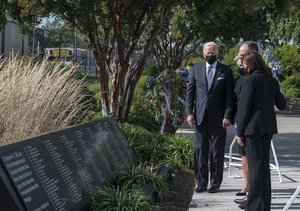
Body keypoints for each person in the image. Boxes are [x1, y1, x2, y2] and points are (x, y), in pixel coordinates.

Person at [236, 52, 286, 211]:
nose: (242, 67)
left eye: (243, 64)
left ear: (249, 64)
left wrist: (239, 132)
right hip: (268, 128)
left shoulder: (250, 80)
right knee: (263, 167)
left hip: (252, 129)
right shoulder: (272, 80)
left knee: (256, 167)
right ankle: (264, 204)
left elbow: (244, 109)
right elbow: (282, 104)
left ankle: (255, 206)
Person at [185, 41, 234, 193]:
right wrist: (189, 113)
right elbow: (190, 94)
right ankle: (201, 183)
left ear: (217, 54)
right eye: (207, 52)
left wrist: (228, 116)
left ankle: (215, 183)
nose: (210, 55)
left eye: (213, 52)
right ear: (203, 53)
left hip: (219, 119)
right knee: (200, 150)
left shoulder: (225, 70)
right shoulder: (196, 69)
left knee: (216, 151)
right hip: (200, 117)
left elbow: (229, 97)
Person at [233, 41, 259, 198]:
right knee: (243, 154)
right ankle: (246, 185)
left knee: (255, 157)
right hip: (241, 120)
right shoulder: (241, 76)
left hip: (254, 122)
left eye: (243, 55)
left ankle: (255, 190)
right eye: (239, 55)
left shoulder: (258, 73)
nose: (239, 58)